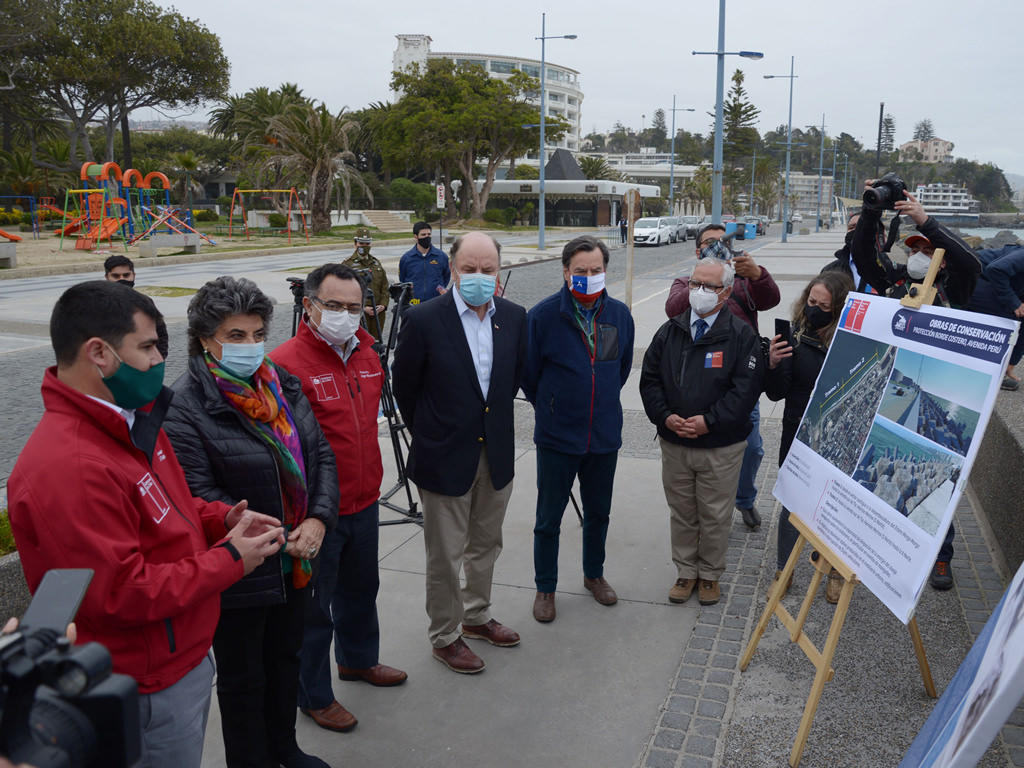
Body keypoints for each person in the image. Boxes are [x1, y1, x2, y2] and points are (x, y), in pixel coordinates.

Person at [8, 280, 285, 768]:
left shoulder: (129, 422)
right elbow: (120, 591)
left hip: (180, 660)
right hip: (143, 681)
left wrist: (222, 518)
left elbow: (167, 508)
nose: (161, 359)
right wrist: (230, 559)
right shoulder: (71, 465)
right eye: (149, 346)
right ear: (99, 353)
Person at [162, 276, 338, 768]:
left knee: (286, 662)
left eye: (258, 334)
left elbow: (319, 454)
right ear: (205, 339)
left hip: (297, 560)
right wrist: (281, 538)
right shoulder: (185, 406)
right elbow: (199, 495)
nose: (251, 346)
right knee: (244, 680)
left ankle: (284, 747)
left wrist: (319, 520)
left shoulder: (281, 384)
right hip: (241, 569)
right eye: (235, 336)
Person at [271, 264, 408, 734]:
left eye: (354, 307)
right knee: (312, 610)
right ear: (309, 306)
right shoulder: (285, 364)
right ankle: (314, 695)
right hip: (315, 513)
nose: (346, 316)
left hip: (364, 499)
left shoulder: (369, 354)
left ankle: (358, 660)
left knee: (360, 590)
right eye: (334, 306)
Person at [392, 231, 527, 674]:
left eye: (487, 270)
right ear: (452, 270)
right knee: (445, 555)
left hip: (497, 455)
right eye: (469, 269)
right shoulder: (425, 319)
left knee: (486, 544)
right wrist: (432, 434)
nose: (479, 278)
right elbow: (405, 389)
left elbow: (511, 384)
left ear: (499, 272)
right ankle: (445, 635)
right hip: (444, 456)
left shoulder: (513, 316)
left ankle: (477, 616)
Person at [851, 185, 982, 592]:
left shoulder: (954, 289)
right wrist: (871, 212)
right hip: (886, 387)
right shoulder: (894, 284)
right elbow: (862, 257)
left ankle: (941, 556)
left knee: (936, 480)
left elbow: (970, 260)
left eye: (925, 249)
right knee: (878, 475)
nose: (917, 256)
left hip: (931, 382)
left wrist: (927, 221)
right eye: (913, 249)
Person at [521, 235, 634, 623]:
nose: (589, 276)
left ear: (605, 271)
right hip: (557, 437)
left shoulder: (619, 315)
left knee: (598, 513)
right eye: (581, 271)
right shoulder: (542, 315)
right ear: (566, 271)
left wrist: (597, 402)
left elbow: (618, 371)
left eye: (596, 270)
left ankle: (594, 575)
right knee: (548, 518)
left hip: (604, 435)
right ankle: (545, 587)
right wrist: (554, 406)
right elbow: (530, 376)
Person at [641, 258, 763, 607]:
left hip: (720, 446)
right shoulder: (670, 331)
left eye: (709, 287)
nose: (700, 292)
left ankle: (709, 575)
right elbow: (649, 380)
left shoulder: (741, 335)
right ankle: (685, 571)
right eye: (695, 284)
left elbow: (745, 391)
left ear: (725, 293)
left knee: (714, 513)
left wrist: (710, 421)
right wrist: (665, 418)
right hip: (675, 442)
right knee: (682, 512)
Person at [664, 223, 779, 530]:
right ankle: (706, 510)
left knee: (751, 447)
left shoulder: (742, 282)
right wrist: (704, 285)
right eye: (709, 243)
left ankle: (744, 499)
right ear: (698, 250)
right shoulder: (685, 282)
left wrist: (756, 275)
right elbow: (673, 308)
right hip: (697, 383)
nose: (717, 246)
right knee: (703, 452)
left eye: (721, 242)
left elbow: (771, 299)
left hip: (740, 384)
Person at [763, 272, 855, 603]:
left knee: (833, 506)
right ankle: (782, 572)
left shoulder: (850, 341)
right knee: (792, 505)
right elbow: (776, 393)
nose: (814, 309)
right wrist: (772, 364)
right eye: (811, 302)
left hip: (839, 435)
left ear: (840, 308)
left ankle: (832, 568)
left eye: (823, 305)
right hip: (798, 434)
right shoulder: (794, 335)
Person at [103, 254, 169, 357]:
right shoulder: (99, 305)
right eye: (116, 276)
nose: (122, 279)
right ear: (107, 277)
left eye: (126, 275)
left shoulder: (145, 302)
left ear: (133, 275)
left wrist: (158, 360)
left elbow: (161, 334)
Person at [343, 227, 389, 341]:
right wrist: (362, 308)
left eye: (367, 243)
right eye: (361, 243)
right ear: (355, 244)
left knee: (376, 344)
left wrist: (383, 305)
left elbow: (384, 286)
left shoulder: (376, 263)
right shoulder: (348, 264)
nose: (364, 246)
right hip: (358, 313)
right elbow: (344, 291)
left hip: (378, 312)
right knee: (360, 345)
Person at [399, 220, 450, 303]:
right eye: (423, 235)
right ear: (416, 237)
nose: (427, 237)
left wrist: (439, 289)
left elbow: (446, 276)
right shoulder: (406, 258)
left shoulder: (441, 256)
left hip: (435, 302)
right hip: (415, 303)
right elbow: (403, 279)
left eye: (429, 234)